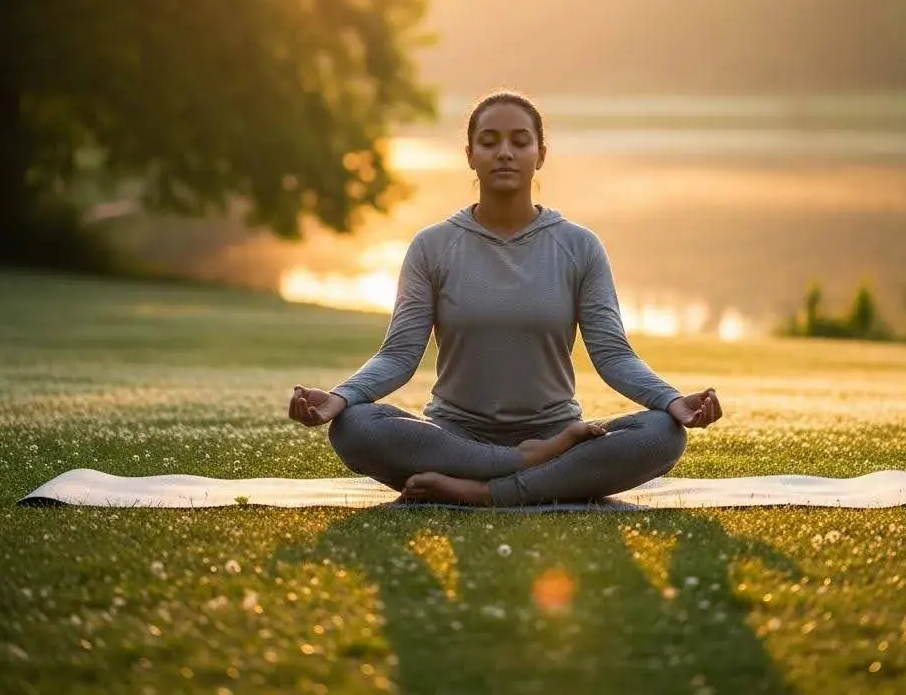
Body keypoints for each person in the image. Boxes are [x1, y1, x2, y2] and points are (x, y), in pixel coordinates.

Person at [288, 90, 723, 506]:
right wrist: (342, 397)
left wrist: (670, 401)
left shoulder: (579, 246)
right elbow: (399, 355)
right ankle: (527, 468)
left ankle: (483, 492)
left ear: (541, 154)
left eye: (520, 141)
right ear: (470, 155)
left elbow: (613, 355)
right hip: (456, 439)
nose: (505, 153)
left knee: (662, 434)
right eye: (489, 141)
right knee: (354, 427)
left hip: (556, 431)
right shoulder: (433, 246)